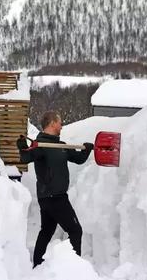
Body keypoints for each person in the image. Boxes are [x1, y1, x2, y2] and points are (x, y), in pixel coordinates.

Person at [17, 111, 94, 268]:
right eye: (59, 122)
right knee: (75, 230)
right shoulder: (40, 146)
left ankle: (37, 264)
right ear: (52, 123)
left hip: (51, 197)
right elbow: (26, 158)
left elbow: (78, 159)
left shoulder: (61, 146)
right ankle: (74, 268)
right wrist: (23, 148)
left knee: (46, 231)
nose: (62, 125)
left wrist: (86, 149)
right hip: (54, 197)